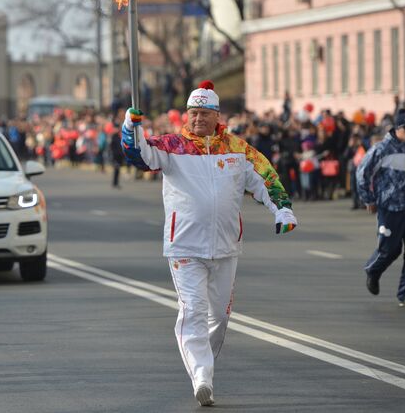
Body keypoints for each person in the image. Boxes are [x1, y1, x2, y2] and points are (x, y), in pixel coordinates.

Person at [121, 80, 297, 407]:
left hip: (227, 246)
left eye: (204, 113)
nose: (197, 118)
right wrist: (131, 127)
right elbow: (138, 155)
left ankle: (206, 367)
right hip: (184, 246)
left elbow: (266, 179)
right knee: (193, 311)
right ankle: (202, 376)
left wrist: (282, 210)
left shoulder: (238, 150)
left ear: (217, 115)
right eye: (193, 113)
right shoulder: (172, 146)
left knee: (219, 316)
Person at [357, 109, 405, 308]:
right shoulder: (382, 149)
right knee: (390, 250)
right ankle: (373, 271)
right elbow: (362, 173)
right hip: (390, 208)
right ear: (397, 129)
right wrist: (369, 199)